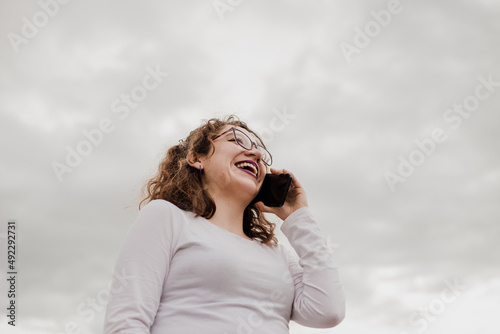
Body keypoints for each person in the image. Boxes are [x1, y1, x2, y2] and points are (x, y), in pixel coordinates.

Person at [103, 115, 345, 333]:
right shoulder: (167, 217)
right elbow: (126, 323)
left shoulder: (279, 255)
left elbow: (328, 310)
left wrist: (298, 216)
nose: (257, 154)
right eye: (237, 140)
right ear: (197, 158)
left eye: (260, 151)